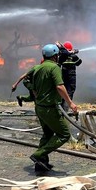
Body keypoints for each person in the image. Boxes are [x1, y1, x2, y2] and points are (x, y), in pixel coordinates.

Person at [29, 44, 78, 173]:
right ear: (55, 56)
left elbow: (31, 86)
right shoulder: (54, 68)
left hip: (39, 107)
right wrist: (71, 103)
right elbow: (60, 87)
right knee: (64, 134)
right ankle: (39, 154)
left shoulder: (38, 67)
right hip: (50, 109)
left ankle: (40, 164)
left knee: (47, 134)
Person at [57, 40, 82, 107]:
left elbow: (59, 64)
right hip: (72, 75)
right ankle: (67, 106)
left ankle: (62, 105)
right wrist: (74, 54)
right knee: (70, 90)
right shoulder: (73, 56)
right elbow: (79, 63)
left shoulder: (62, 56)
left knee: (63, 90)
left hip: (63, 74)